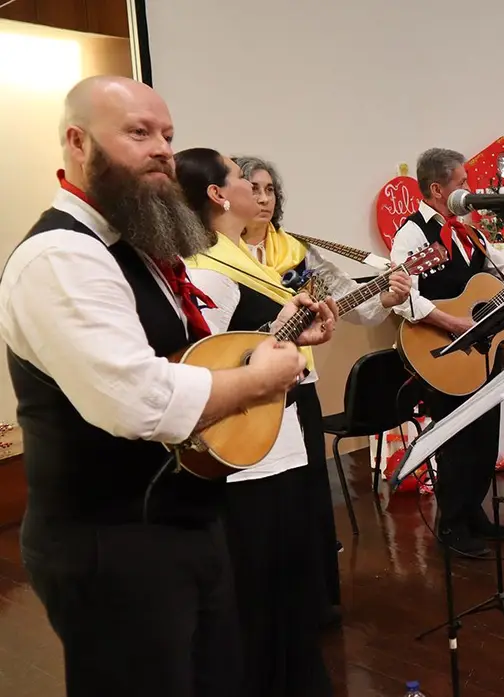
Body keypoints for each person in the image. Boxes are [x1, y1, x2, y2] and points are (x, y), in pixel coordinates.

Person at [0, 76, 334, 696]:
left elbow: (193, 358)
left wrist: (277, 346)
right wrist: (264, 376)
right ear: (78, 142)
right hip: (111, 544)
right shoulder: (61, 259)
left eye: (168, 136)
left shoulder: (136, 248)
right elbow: (141, 400)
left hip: (178, 520)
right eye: (138, 132)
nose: (162, 150)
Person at [177, 147, 338, 697]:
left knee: (285, 583)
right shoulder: (206, 265)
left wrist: (293, 331)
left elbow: (255, 341)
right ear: (220, 196)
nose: (255, 188)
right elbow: (205, 360)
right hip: (248, 450)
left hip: (279, 436)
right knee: (260, 590)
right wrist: (279, 335)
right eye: (240, 179)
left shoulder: (236, 255)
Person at [234, 154, 411, 626]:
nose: (263, 198)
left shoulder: (297, 250)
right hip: (243, 392)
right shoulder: (212, 254)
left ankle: (316, 601)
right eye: (252, 188)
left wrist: (387, 296)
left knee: (308, 495)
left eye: (270, 189)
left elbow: (353, 305)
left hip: (299, 387)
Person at [389, 147, 504, 557]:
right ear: (437, 188)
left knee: (485, 436)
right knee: (458, 441)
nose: (470, 189)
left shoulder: (469, 232)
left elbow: (503, 271)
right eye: (462, 183)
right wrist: (452, 324)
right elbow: (401, 298)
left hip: (478, 355)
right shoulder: (412, 234)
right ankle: (450, 523)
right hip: (442, 354)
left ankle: (473, 512)